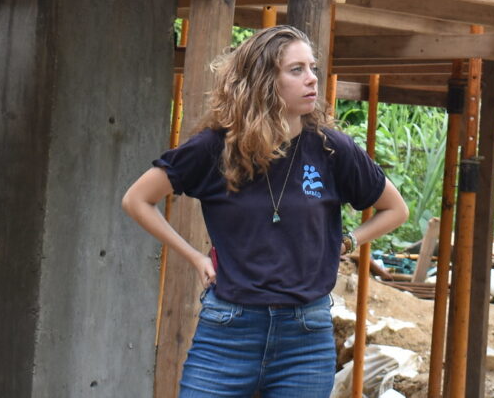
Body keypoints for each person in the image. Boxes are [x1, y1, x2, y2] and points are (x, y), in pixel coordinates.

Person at [122, 25, 408, 398]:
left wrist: (348, 241)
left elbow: (395, 209)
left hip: (305, 338)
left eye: (313, 68)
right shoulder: (215, 148)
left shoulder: (332, 149)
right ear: (263, 81)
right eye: (296, 70)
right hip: (227, 331)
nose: (312, 80)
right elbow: (137, 199)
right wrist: (194, 257)